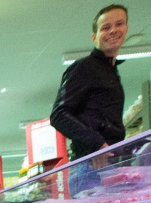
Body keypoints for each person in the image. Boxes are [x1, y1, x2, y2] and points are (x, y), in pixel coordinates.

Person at [50, 4, 128, 190]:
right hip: (91, 167)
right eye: (106, 27)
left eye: (119, 24)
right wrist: (97, 143)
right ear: (94, 37)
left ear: (126, 29)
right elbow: (58, 115)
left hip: (105, 164)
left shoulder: (110, 71)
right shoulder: (84, 68)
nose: (113, 30)